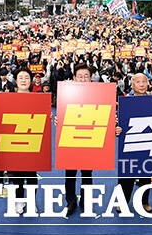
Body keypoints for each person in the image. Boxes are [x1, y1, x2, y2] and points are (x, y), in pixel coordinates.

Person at [114, 73, 152, 213]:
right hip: (129, 144)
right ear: (132, 85)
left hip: (148, 143)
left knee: (146, 175)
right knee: (126, 176)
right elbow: (118, 123)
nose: (141, 84)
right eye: (138, 82)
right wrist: (116, 129)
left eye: (144, 81)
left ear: (148, 84)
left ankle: (144, 201)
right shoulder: (126, 102)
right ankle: (122, 201)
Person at [64, 63, 94, 216]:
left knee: (87, 173)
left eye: (86, 76)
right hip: (71, 138)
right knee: (70, 173)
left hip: (89, 139)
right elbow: (62, 114)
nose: (83, 79)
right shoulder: (66, 94)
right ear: (74, 78)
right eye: (80, 76)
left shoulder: (98, 95)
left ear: (91, 79)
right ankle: (70, 201)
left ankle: (86, 201)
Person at [9, 67, 40, 214]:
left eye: (26, 77)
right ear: (16, 80)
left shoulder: (38, 99)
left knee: (32, 174)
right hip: (15, 140)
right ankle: (19, 201)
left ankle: (32, 201)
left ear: (31, 80)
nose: (23, 80)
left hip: (32, 140)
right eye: (20, 77)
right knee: (17, 175)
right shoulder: (8, 99)